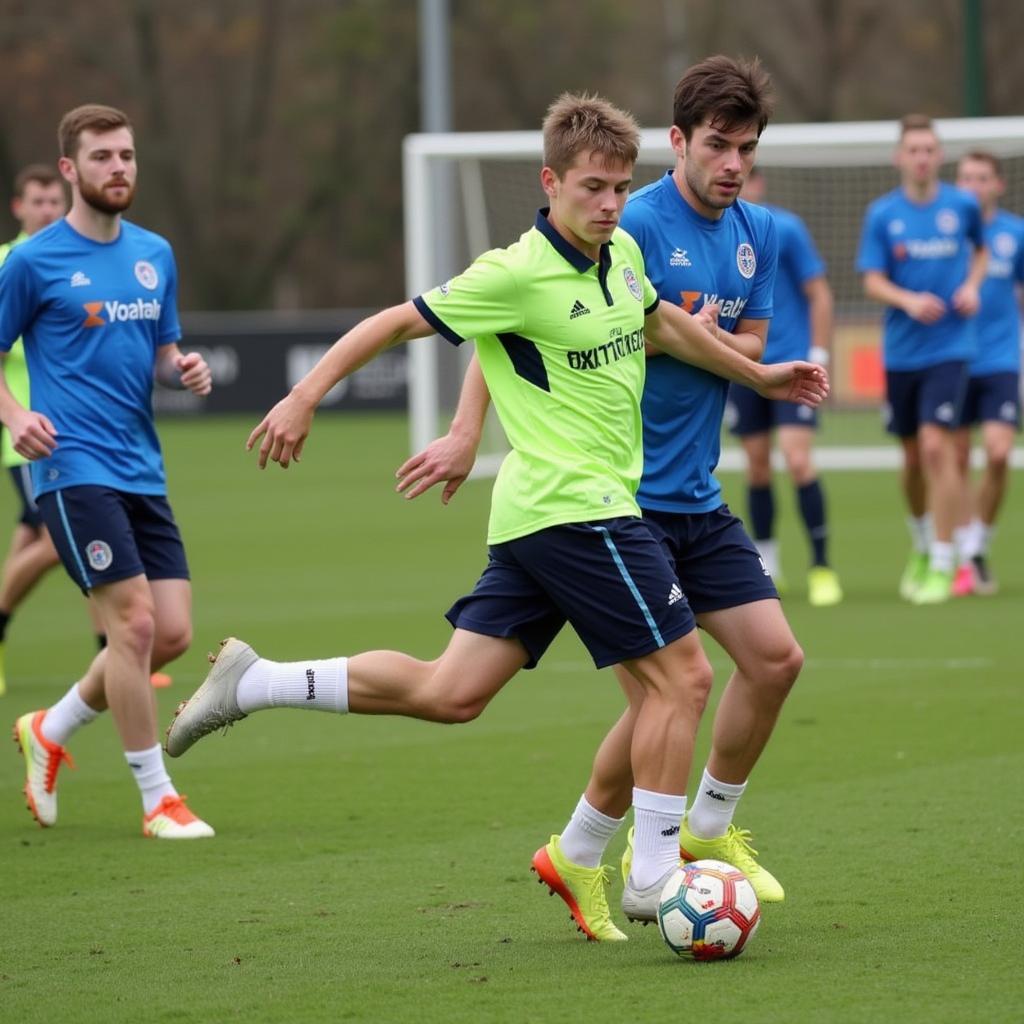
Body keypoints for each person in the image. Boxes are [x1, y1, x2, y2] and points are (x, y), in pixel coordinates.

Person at [165, 93, 828, 936]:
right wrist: (304, 396)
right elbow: (392, 323)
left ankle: (254, 681)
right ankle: (655, 872)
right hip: (576, 509)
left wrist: (759, 375)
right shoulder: (513, 272)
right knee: (684, 678)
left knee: (453, 692)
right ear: (551, 182)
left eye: (622, 188)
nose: (610, 204)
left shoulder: (620, 253)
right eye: (592, 187)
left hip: (541, 517)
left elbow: (662, 320)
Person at [397, 58, 814, 939]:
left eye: (747, 148)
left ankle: (689, 835)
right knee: (666, 694)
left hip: (693, 488)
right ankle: (621, 860)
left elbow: (731, 340)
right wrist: (470, 429)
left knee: (772, 661)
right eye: (717, 145)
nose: (734, 162)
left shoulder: (759, 234)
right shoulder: (627, 216)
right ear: (679, 143)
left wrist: (722, 353)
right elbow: (520, 321)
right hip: (615, 499)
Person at [0, 104, 214, 838]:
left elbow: (161, 349)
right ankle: (157, 799)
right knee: (135, 624)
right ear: (69, 170)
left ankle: (50, 727)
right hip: (70, 466)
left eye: (125, 155)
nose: (118, 167)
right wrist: (15, 415)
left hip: (141, 468)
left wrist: (180, 365)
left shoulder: (155, 252)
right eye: (101, 157)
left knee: (173, 633)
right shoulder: (32, 260)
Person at [857, 113, 987, 605]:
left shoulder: (962, 206)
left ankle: (943, 558)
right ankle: (921, 539)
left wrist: (973, 287)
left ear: (940, 156)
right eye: (913, 149)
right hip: (902, 353)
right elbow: (871, 279)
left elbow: (979, 254)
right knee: (912, 459)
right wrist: (908, 301)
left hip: (951, 348)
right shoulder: (882, 214)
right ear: (899, 158)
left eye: (930, 149)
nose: (922, 157)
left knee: (939, 447)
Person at [726, 166, 842, 606]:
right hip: (742, 367)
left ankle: (822, 566)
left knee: (797, 461)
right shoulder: (721, 232)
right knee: (756, 466)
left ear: (760, 183)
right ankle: (768, 565)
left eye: (751, 178)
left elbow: (819, 293)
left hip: (792, 365)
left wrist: (819, 354)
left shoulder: (785, 228)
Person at [0, 165, 67, 696]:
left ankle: (113, 655)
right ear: (18, 207)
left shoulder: (74, 256)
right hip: (23, 437)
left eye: (54, 201)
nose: (47, 210)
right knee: (58, 541)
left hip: (74, 434)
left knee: (51, 538)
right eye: (37, 201)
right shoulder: (10, 262)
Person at [949, 151, 1024, 596]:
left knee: (997, 453)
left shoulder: (1015, 233)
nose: (973, 185)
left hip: (1000, 360)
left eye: (982, 178)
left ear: (998, 184)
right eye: (965, 177)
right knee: (955, 457)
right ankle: (964, 550)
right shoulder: (945, 231)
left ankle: (977, 544)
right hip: (954, 358)